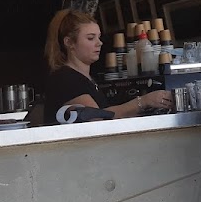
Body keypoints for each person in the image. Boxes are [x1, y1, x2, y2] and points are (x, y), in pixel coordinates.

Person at [42, 9, 172, 123]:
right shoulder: (65, 79)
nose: (99, 43)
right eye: (90, 38)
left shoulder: (88, 78)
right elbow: (98, 117)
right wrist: (143, 101)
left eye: (98, 37)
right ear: (69, 42)